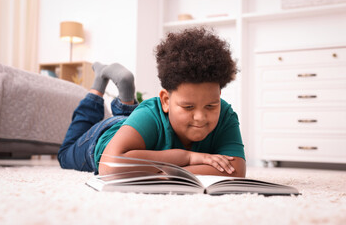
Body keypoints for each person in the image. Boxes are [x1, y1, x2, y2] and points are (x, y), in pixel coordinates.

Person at [57, 27, 246, 177]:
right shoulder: (151, 112)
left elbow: (236, 170)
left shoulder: (225, 113)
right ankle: (97, 87)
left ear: (219, 95)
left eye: (211, 106)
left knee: (136, 121)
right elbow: (110, 164)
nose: (200, 117)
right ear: (165, 100)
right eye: (188, 107)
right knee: (65, 154)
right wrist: (187, 157)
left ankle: (125, 100)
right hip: (102, 137)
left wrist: (171, 174)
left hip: (138, 130)